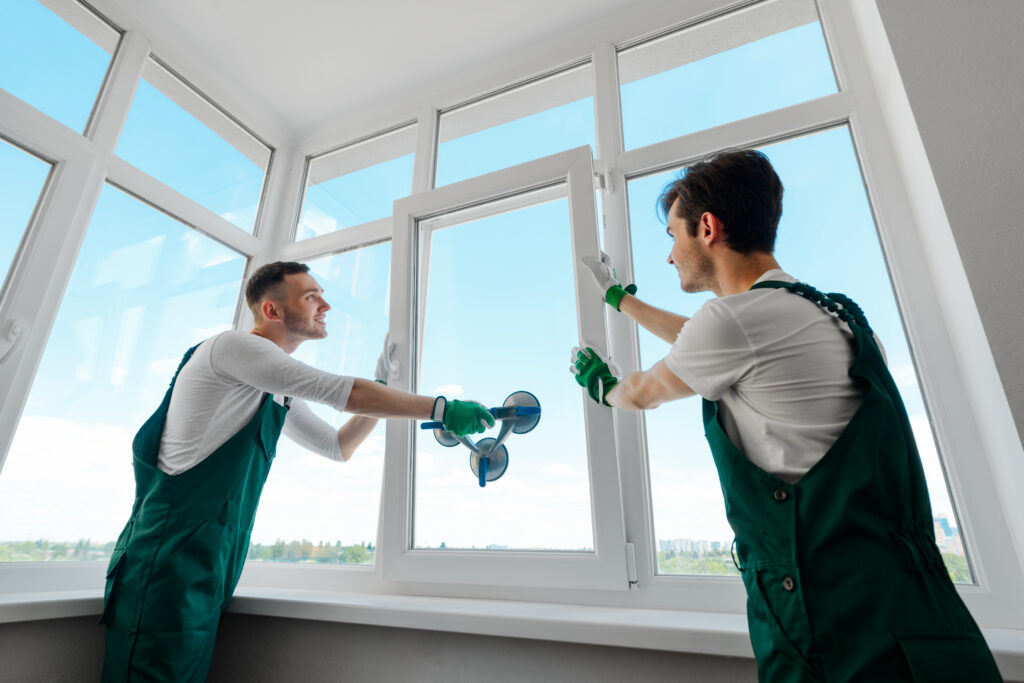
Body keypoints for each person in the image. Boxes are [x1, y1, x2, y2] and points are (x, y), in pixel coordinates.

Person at [571, 150, 1001, 681]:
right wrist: (620, 300)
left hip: (831, 629)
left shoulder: (733, 323)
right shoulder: (835, 314)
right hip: (924, 620)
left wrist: (601, 384)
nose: (670, 257)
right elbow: (708, 342)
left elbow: (642, 391)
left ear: (707, 228)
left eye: (672, 237)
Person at [100, 260, 495, 682]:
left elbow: (336, 446)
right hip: (168, 561)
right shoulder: (234, 348)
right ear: (271, 311)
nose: (325, 304)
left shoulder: (274, 388)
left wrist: (387, 390)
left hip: (208, 566)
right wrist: (442, 408)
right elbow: (344, 393)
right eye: (311, 296)